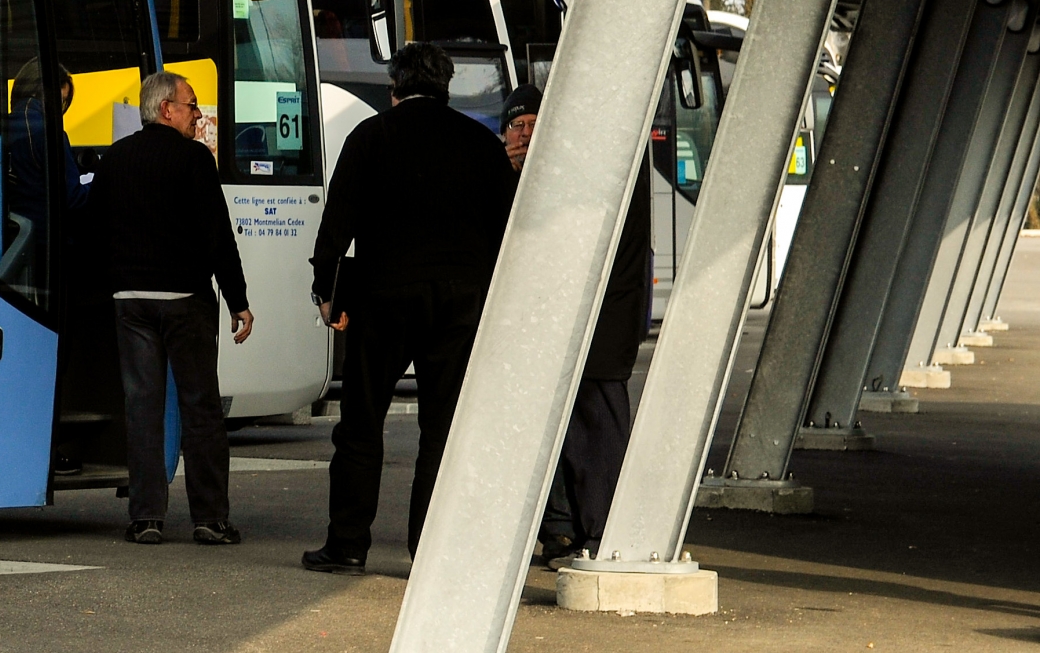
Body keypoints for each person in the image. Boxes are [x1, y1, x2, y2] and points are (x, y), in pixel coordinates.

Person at [301, 42, 517, 574]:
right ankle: (430, 549)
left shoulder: (370, 137)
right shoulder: (481, 144)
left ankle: (348, 543)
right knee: (441, 429)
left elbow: (337, 226)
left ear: (394, 87)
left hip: (384, 300)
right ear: (447, 87)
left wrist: (325, 291)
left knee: (361, 424)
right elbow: (506, 229)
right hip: (460, 303)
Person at [93, 70, 252, 546]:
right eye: (191, 105)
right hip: (184, 300)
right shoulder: (193, 159)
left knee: (142, 408)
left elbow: (94, 227)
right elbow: (216, 235)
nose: (198, 114)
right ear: (167, 109)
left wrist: (115, 284)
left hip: (131, 301)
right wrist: (238, 299)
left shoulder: (116, 158)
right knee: (200, 408)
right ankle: (209, 518)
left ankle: (145, 518)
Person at [503, 84, 652, 565]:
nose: (526, 136)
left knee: (596, 432)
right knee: (564, 435)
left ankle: (601, 534)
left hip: (599, 323)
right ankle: (564, 532)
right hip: (570, 322)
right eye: (516, 126)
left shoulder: (598, 160)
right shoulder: (599, 155)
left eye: (534, 126)